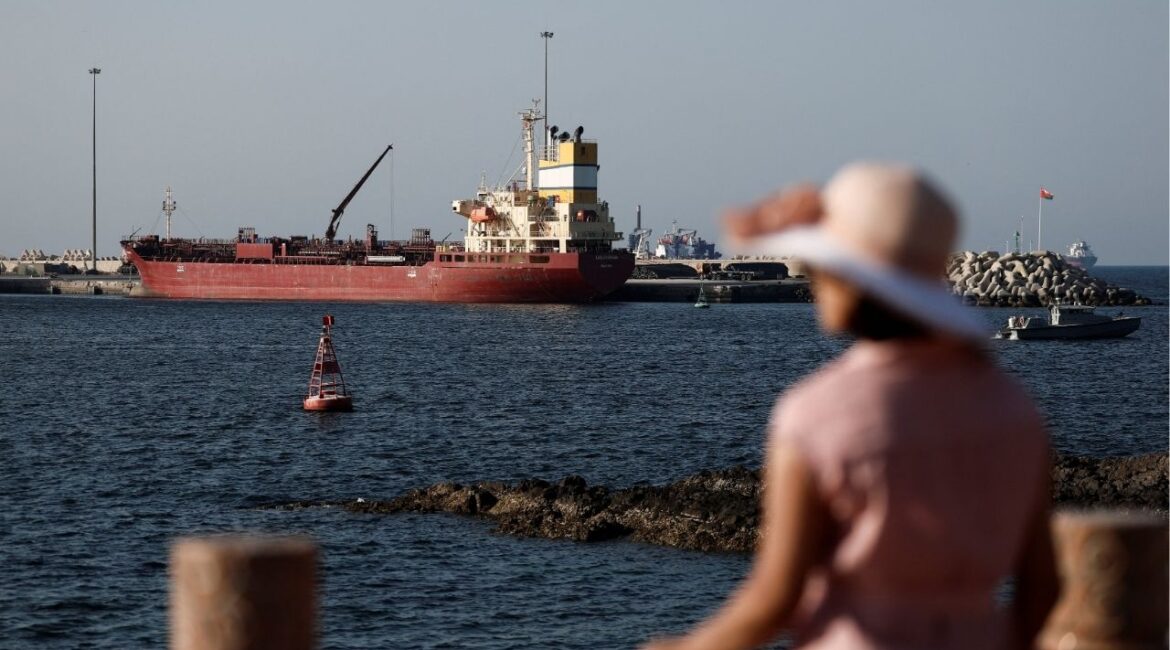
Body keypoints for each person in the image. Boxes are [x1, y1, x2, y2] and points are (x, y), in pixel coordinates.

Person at [642, 163, 1057, 650]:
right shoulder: (1014, 409)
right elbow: (1043, 593)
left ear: (850, 279)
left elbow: (775, 598)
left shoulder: (814, 415)